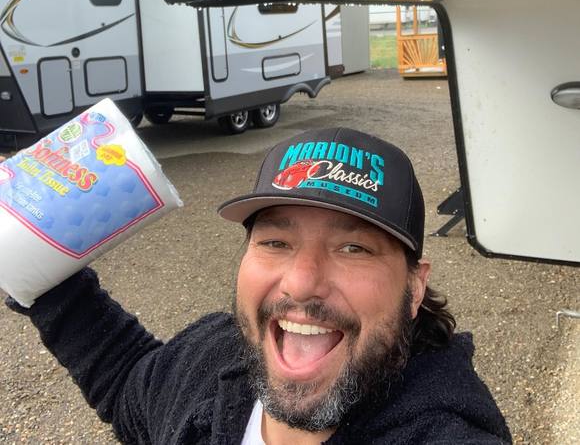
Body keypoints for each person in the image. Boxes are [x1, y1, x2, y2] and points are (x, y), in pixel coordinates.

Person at [4, 127, 511, 444]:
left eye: (353, 248)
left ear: (415, 288)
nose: (301, 283)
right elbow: (129, 386)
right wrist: (31, 254)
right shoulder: (213, 354)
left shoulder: (444, 432)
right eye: (275, 242)